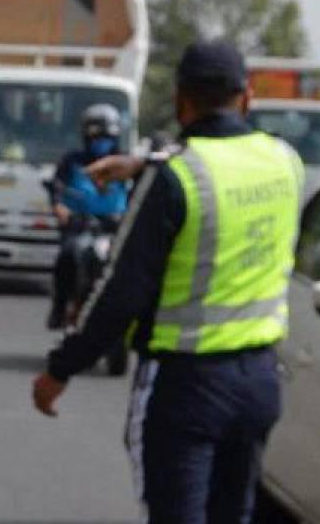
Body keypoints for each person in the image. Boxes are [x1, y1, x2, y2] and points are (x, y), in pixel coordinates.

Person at [32, 41, 304, 523]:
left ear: (181, 100)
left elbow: (121, 293)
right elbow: (226, 166)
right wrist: (144, 163)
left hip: (186, 386)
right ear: (247, 97)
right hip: (259, 384)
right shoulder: (286, 162)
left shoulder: (175, 178)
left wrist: (61, 368)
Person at [45, 104, 129, 330]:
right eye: (96, 136)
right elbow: (57, 189)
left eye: (106, 137)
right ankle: (60, 307)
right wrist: (61, 209)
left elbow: (140, 192)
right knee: (68, 255)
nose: (101, 142)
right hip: (80, 227)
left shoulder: (125, 163)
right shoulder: (72, 162)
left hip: (115, 230)